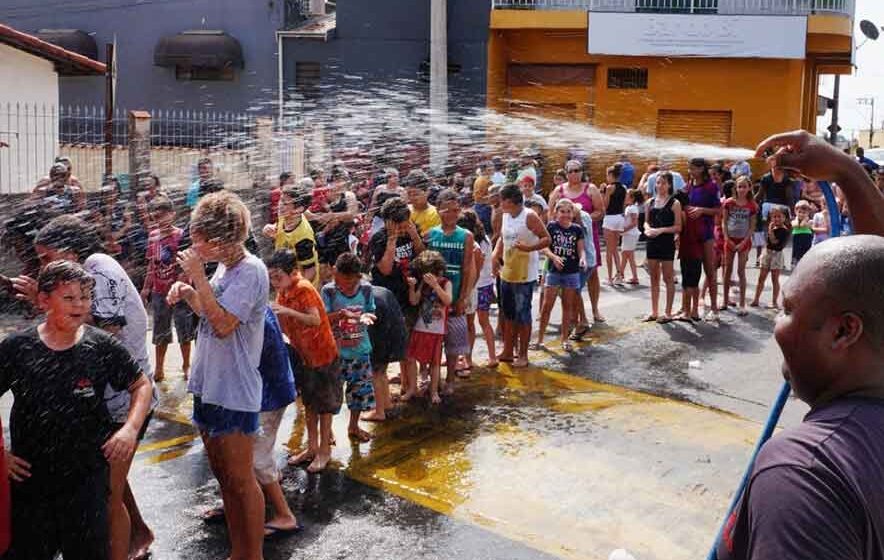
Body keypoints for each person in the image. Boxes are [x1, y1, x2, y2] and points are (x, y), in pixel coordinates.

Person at [717, 129, 884, 560]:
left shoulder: (805, 472)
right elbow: (873, 282)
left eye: (788, 309)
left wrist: (847, 171)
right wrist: (846, 170)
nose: (775, 325)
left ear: (844, 332)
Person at [21, 215, 158, 560]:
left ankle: (120, 550)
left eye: (45, 257)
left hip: (124, 399)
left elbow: (104, 334)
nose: (42, 266)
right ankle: (139, 533)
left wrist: (53, 304)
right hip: (105, 399)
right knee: (110, 480)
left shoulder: (99, 268)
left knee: (105, 496)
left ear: (69, 250)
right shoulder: (79, 277)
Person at [167, 190, 268, 560]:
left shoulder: (251, 270)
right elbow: (212, 313)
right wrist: (189, 293)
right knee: (224, 479)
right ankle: (238, 549)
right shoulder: (225, 268)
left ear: (221, 239)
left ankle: (251, 554)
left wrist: (197, 278)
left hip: (234, 390)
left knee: (242, 481)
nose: (192, 243)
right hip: (209, 384)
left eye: (198, 237)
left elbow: (225, 325)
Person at [267, 250, 341, 474]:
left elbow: (315, 319)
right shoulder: (284, 291)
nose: (274, 282)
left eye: (278, 276)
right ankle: (311, 447)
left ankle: (324, 451)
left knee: (325, 406)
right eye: (271, 277)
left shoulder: (303, 289)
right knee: (309, 404)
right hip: (304, 357)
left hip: (322, 355)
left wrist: (288, 310)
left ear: (293, 272)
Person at [369, 196, 424, 400]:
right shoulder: (379, 239)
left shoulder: (411, 231)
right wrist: (392, 239)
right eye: (399, 226)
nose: (403, 229)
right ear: (388, 222)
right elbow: (385, 268)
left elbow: (422, 257)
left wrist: (415, 236)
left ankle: (412, 387)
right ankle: (405, 382)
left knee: (407, 346)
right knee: (398, 345)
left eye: (405, 225)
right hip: (388, 299)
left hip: (408, 296)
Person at [253, 307, 301, 539]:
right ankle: (240, 498)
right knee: (250, 454)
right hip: (268, 391)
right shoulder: (258, 307)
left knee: (257, 458)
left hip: (268, 395)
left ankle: (285, 515)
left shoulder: (251, 314)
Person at [492, 184, 551, 368]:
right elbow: (503, 237)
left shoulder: (529, 216)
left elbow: (546, 238)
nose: (499, 202)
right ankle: (509, 350)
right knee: (508, 313)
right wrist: (496, 255)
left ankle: (523, 354)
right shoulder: (505, 215)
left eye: (501, 199)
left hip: (525, 273)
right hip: (507, 270)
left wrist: (529, 248)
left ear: (509, 201)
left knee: (522, 313)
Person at [321, 252, 377, 442]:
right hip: (335, 353)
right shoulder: (329, 291)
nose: (344, 286)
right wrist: (340, 315)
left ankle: (353, 426)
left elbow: (371, 312)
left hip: (360, 351)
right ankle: (327, 431)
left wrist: (367, 318)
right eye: (341, 281)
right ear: (335, 273)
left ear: (358, 277)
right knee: (331, 394)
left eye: (350, 282)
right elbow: (322, 320)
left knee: (359, 392)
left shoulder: (367, 290)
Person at [141, 195, 196, 381]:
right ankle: (159, 368)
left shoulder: (181, 236)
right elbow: (151, 265)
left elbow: (187, 263)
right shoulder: (153, 237)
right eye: (156, 217)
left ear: (172, 215)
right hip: (159, 290)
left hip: (179, 290)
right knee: (160, 330)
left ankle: (186, 364)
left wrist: (182, 284)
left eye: (163, 216)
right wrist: (146, 288)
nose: (160, 221)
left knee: (184, 328)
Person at [427, 189, 475, 391]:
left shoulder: (466, 236)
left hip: (455, 293)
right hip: (434, 295)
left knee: (454, 339)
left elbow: (467, 268)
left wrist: (463, 297)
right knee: (433, 338)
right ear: (439, 211)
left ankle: (451, 379)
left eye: (456, 210)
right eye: (448, 210)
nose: (453, 215)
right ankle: (431, 377)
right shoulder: (431, 234)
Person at [549, 160, 605, 324]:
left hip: (588, 237)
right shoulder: (559, 190)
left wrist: (582, 219)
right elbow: (551, 214)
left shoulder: (591, 189)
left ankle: (594, 309)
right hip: (565, 240)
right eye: (571, 171)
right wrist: (567, 222)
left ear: (582, 172)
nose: (574, 174)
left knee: (592, 273)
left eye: (577, 170)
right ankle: (573, 313)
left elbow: (600, 212)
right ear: (566, 173)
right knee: (568, 276)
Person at [537, 198, 586, 352]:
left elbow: (581, 249)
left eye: (568, 211)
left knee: (568, 307)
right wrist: (553, 257)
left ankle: (565, 339)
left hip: (571, 272)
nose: (565, 215)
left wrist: (583, 259)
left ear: (573, 213)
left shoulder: (577, 229)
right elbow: (544, 247)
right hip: (553, 271)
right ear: (556, 213)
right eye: (562, 211)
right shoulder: (551, 226)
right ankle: (539, 339)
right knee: (546, 306)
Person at [405, 250, 452, 404]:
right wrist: (412, 287)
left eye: (434, 274)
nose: (431, 278)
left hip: (436, 331)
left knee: (435, 362)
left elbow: (447, 300)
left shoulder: (446, 282)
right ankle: (412, 388)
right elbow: (414, 301)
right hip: (420, 327)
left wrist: (436, 285)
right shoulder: (423, 283)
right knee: (411, 358)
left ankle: (433, 392)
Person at [457, 209, 496, 371]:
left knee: (469, 324)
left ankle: (468, 358)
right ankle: (492, 356)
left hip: (474, 286)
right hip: (486, 284)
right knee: (484, 322)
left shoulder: (470, 242)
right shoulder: (485, 239)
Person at [684, 158, 722, 321]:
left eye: (693, 168)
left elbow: (718, 210)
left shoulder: (711, 187)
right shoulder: (689, 186)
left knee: (709, 271)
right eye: (689, 168)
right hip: (689, 234)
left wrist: (701, 210)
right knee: (690, 272)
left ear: (701, 169)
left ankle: (714, 308)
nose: (690, 171)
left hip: (706, 233)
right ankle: (687, 308)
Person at [262, 182, 319, 286]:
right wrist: (269, 227)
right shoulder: (285, 216)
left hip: (299, 286)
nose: (280, 205)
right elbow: (278, 228)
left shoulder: (303, 237)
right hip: (285, 279)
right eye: (280, 200)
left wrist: (298, 289)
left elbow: (311, 271)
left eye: (285, 203)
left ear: (299, 209)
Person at [365, 285, 407, 421]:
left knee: (376, 374)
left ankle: (379, 411)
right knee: (382, 372)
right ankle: (386, 403)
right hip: (396, 335)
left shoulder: (370, 298)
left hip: (383, 337)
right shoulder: (383, 290)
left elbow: (373, 326)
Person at [644, 172, 682, 323]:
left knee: (668, 278)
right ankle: (654, 311)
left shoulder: (675, 203)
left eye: (664, 183)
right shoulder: (650, 202)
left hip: (666, 243)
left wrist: (660, 230)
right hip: (652, 242)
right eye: (658, 183)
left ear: (670, 185)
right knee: (654, 278)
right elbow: (646, 222)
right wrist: (647, 229)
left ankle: (667, 312)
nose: (660, 186)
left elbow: (678, 227)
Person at [313, 167, 359, 285]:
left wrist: (332, 216)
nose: (338, 183)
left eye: (341, 180)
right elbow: (328, 215)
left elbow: (351, 214)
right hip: (329, 235)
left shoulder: (348, 195)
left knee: (343, 268)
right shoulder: (330, 195)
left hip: (343, 237)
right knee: (324, 269)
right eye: (336, 180)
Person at [721, 176, 758, 315]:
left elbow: (752, 226)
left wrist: (744, 242)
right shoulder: (729, 203)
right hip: (730, 239)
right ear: (735, 188)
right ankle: (724, 300)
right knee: (727, 270)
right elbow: (724, 222)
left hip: (744, 240)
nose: (741, 189)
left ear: (749, 188)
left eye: (744, 186)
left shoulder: (752, 205)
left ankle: (742, 303)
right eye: (739, 186)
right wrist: (726, 238)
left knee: (741, 271)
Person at [750, 207, 789, 309]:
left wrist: (770, 231)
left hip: (777, 255)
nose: (776, 219)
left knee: (774, 279)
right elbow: (767, 243)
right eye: (774, 217)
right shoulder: (773, 228)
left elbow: (774, 242)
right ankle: (756, 299)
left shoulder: (783, 230)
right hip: (767, 253)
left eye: (779, 216)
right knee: (761, 278)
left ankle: (774, 301)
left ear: (784, 218)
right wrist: (762, 254)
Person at [601, 165, 627, 285]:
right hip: (620, 218)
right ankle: (619, 275)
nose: (606, 177)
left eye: (607, 175)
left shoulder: (610, 187)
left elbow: (604, 205)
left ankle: (610, 278)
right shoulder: (624, 188)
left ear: (611, 175)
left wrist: (603, 191)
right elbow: (624, 204)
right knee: (615, 249)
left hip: (610, 218)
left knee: (609, 251)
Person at [405, 169, 441, 236]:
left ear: (427, 192)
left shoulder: (435, 214)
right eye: (409, 194)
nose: (412, 198)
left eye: (416, 194)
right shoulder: (405, 210)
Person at [620, 189, 643, 285]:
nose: (625, 197)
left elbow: (634, 223)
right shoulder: (629, 207)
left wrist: (624, 230)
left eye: (627, 195)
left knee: (626, 254)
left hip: (630, 234)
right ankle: (625, 275)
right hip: (629, 234)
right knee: (628, 255)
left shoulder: (632, 208)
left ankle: (621, 275)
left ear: (632, 198)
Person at [791, 199, 814, 266]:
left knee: (806, 251)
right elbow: (797, 225)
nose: (801, 214)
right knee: (797, 251)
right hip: (797, 237)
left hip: (806, 237)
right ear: (796, 212)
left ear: (808, 213)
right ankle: (796, 261)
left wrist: (805, 219)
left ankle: (805, 263)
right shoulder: (794, 220)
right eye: (799, 212)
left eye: (804, 213)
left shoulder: (810, 221)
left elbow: (802, 225)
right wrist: (798, 219)